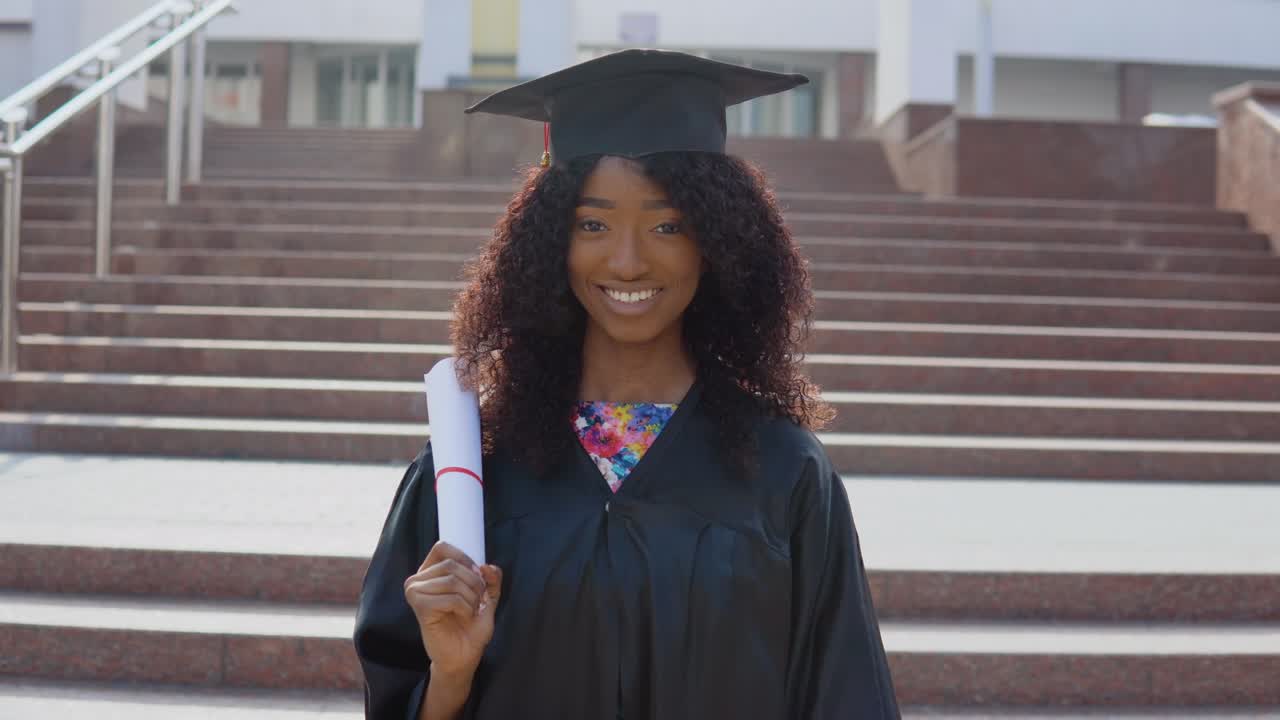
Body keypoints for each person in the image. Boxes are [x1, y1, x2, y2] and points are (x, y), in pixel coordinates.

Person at [353, 48, 900, 720]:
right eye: (593, 223)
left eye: (668, 224)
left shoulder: (783, 472)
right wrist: (451, 677)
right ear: (552, 240)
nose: (628, 259)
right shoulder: (474, 471)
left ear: (719, 242)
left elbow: (844, 697)